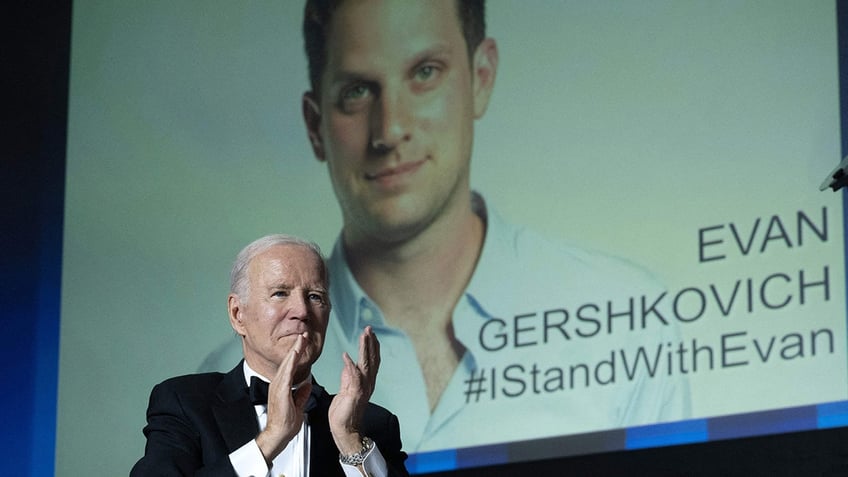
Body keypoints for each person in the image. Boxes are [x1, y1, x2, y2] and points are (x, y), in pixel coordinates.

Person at [202, 0, 690, 453]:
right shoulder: (220, 386)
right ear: (315, 124)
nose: (391, 130)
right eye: (356, 90)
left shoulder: (629, 323)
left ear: (481, 77)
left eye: (425, 72)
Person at [132, 234, 409, 476]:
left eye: (315, 296)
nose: (301, 311)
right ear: (238, 314)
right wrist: (270, 439)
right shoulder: (184, 403)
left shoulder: (370, 425)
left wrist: (349, 438)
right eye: (280, 293)